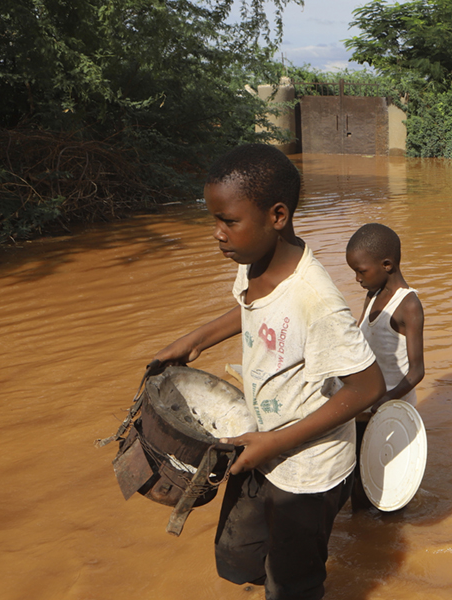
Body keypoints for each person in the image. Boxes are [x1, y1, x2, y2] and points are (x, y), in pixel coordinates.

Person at [151, 143, 386, 600]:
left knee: (293, 586)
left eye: (228, 221)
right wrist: (194, 340)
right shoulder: (253, 261)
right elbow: (249, 308)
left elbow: (369, 386)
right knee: (238, 557)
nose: (217, 233)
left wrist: (275, 443)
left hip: (307, 468)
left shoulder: (315, 300)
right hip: (260, 441)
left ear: (277, 216)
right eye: (214, 219)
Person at [344, 223, 425, 510]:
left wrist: (386, 398)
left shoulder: (409, 305)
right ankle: (364, 541)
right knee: (359, 483)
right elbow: (358, 342)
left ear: (387, 264)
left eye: (361, 271)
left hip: (391, 411)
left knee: (390, 490)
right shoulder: (372, 295)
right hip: (365, 407)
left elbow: (417, 371)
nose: (356, 278)